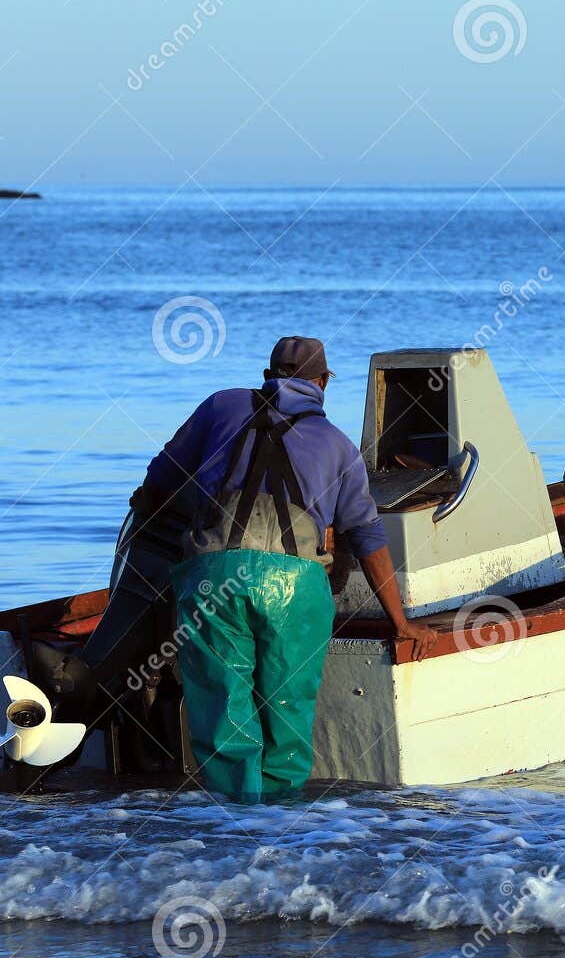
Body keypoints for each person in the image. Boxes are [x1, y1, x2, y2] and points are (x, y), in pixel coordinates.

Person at [132, 335, 436, 800]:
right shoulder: (338, 447)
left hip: (214, 576)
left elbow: (158, 481)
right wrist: (401, 622)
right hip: (293, 587)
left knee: (223, 708)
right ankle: (283, 834)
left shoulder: (219, 406)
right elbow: (368, 539)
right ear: (322, 382)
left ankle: (234, 826)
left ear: (268, 375)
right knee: (287, 712)